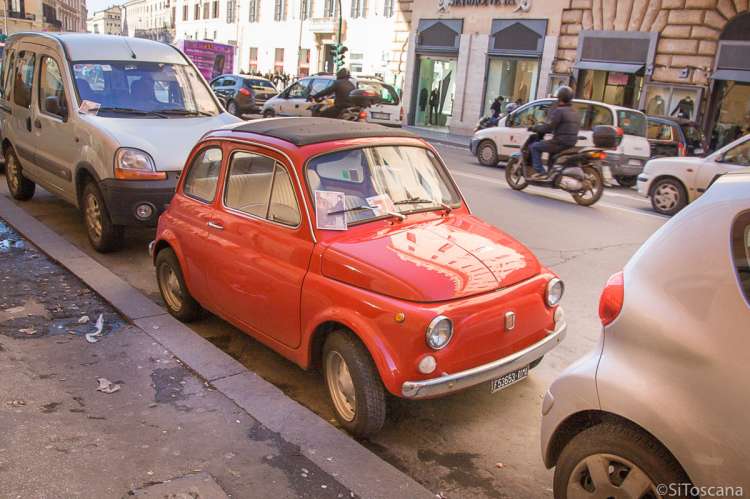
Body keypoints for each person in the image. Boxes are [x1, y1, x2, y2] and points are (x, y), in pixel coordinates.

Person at [528, 86, 579, 179]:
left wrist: (535, 128)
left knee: (534, 147)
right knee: (551, 151)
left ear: (560, 97)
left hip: (560, 142)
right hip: (571, 142)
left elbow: (548, 127)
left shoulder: (559, 111)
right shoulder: (574, 111)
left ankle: (541, 172)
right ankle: (552, 174)